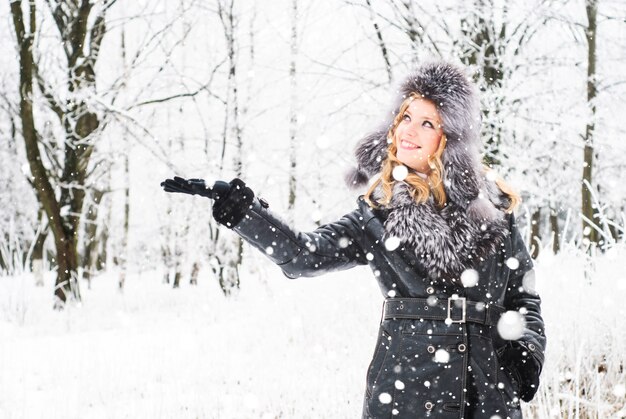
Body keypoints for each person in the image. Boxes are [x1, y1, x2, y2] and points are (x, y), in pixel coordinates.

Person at [161, 61, 546, 419]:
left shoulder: (493, 207)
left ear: (451, 137)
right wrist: (244, 210)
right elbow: (302, 256)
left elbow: (523, 295)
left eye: (428, 123)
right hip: (408, 385)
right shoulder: (375, 215)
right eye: (405, 117)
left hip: (487, 388)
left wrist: (526, 357)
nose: (409, 130)